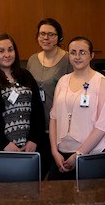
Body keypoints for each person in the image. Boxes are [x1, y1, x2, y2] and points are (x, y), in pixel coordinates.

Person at [48, 36, 105, 180]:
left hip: (90, 156)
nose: (77, 56)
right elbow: (53, 118)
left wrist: (79, 154)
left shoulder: (101, 82)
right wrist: (54, 151)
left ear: (92, 55)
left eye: (82, 52)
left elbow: (103, 125)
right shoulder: (62, 81)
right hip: (61, 155)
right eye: (73, 52)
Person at [0, 33, 45, 152]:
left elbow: (38, 111)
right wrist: (3, 143)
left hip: (28, 149)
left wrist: (34, 139)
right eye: (1, 51)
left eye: (10, 50)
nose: (7, 55)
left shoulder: (26, 76)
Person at [26, 18, 71, 176]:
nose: (46, 38)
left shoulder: (68, 59)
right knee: (36, 175)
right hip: (37, 128)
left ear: (59, 38)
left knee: (59, 175)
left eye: (51, 34)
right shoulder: (32, 60)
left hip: (61, 128)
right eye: (42, 34)